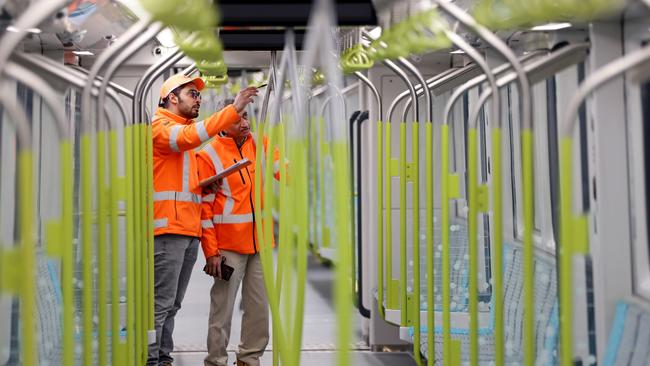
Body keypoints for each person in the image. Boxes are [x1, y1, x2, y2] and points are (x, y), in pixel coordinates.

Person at [148, 74, 258, 366]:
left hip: (186, 229)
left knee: (172, 305)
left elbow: (181, 179)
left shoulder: (185, 136)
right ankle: (151, 361)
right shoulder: (161, 127)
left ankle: (163, 359)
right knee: (161, 305)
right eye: (192, 94)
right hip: (166, 229)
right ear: (173, 97)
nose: (198, 100)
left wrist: (203, 183)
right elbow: (188, 138)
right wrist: (232, 109)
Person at [198, 98, 276, 366]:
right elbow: (204, 212)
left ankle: (249, 359)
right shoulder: (208, 155)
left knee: (258, 308)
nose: (245, 122)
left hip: (260, 243)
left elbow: (286, 171)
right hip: (228, 245)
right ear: (223, 120)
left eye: (246, 116)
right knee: (222, 309)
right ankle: (216, 360)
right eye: (238, 118)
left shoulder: (259, 144)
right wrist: (211, 252)